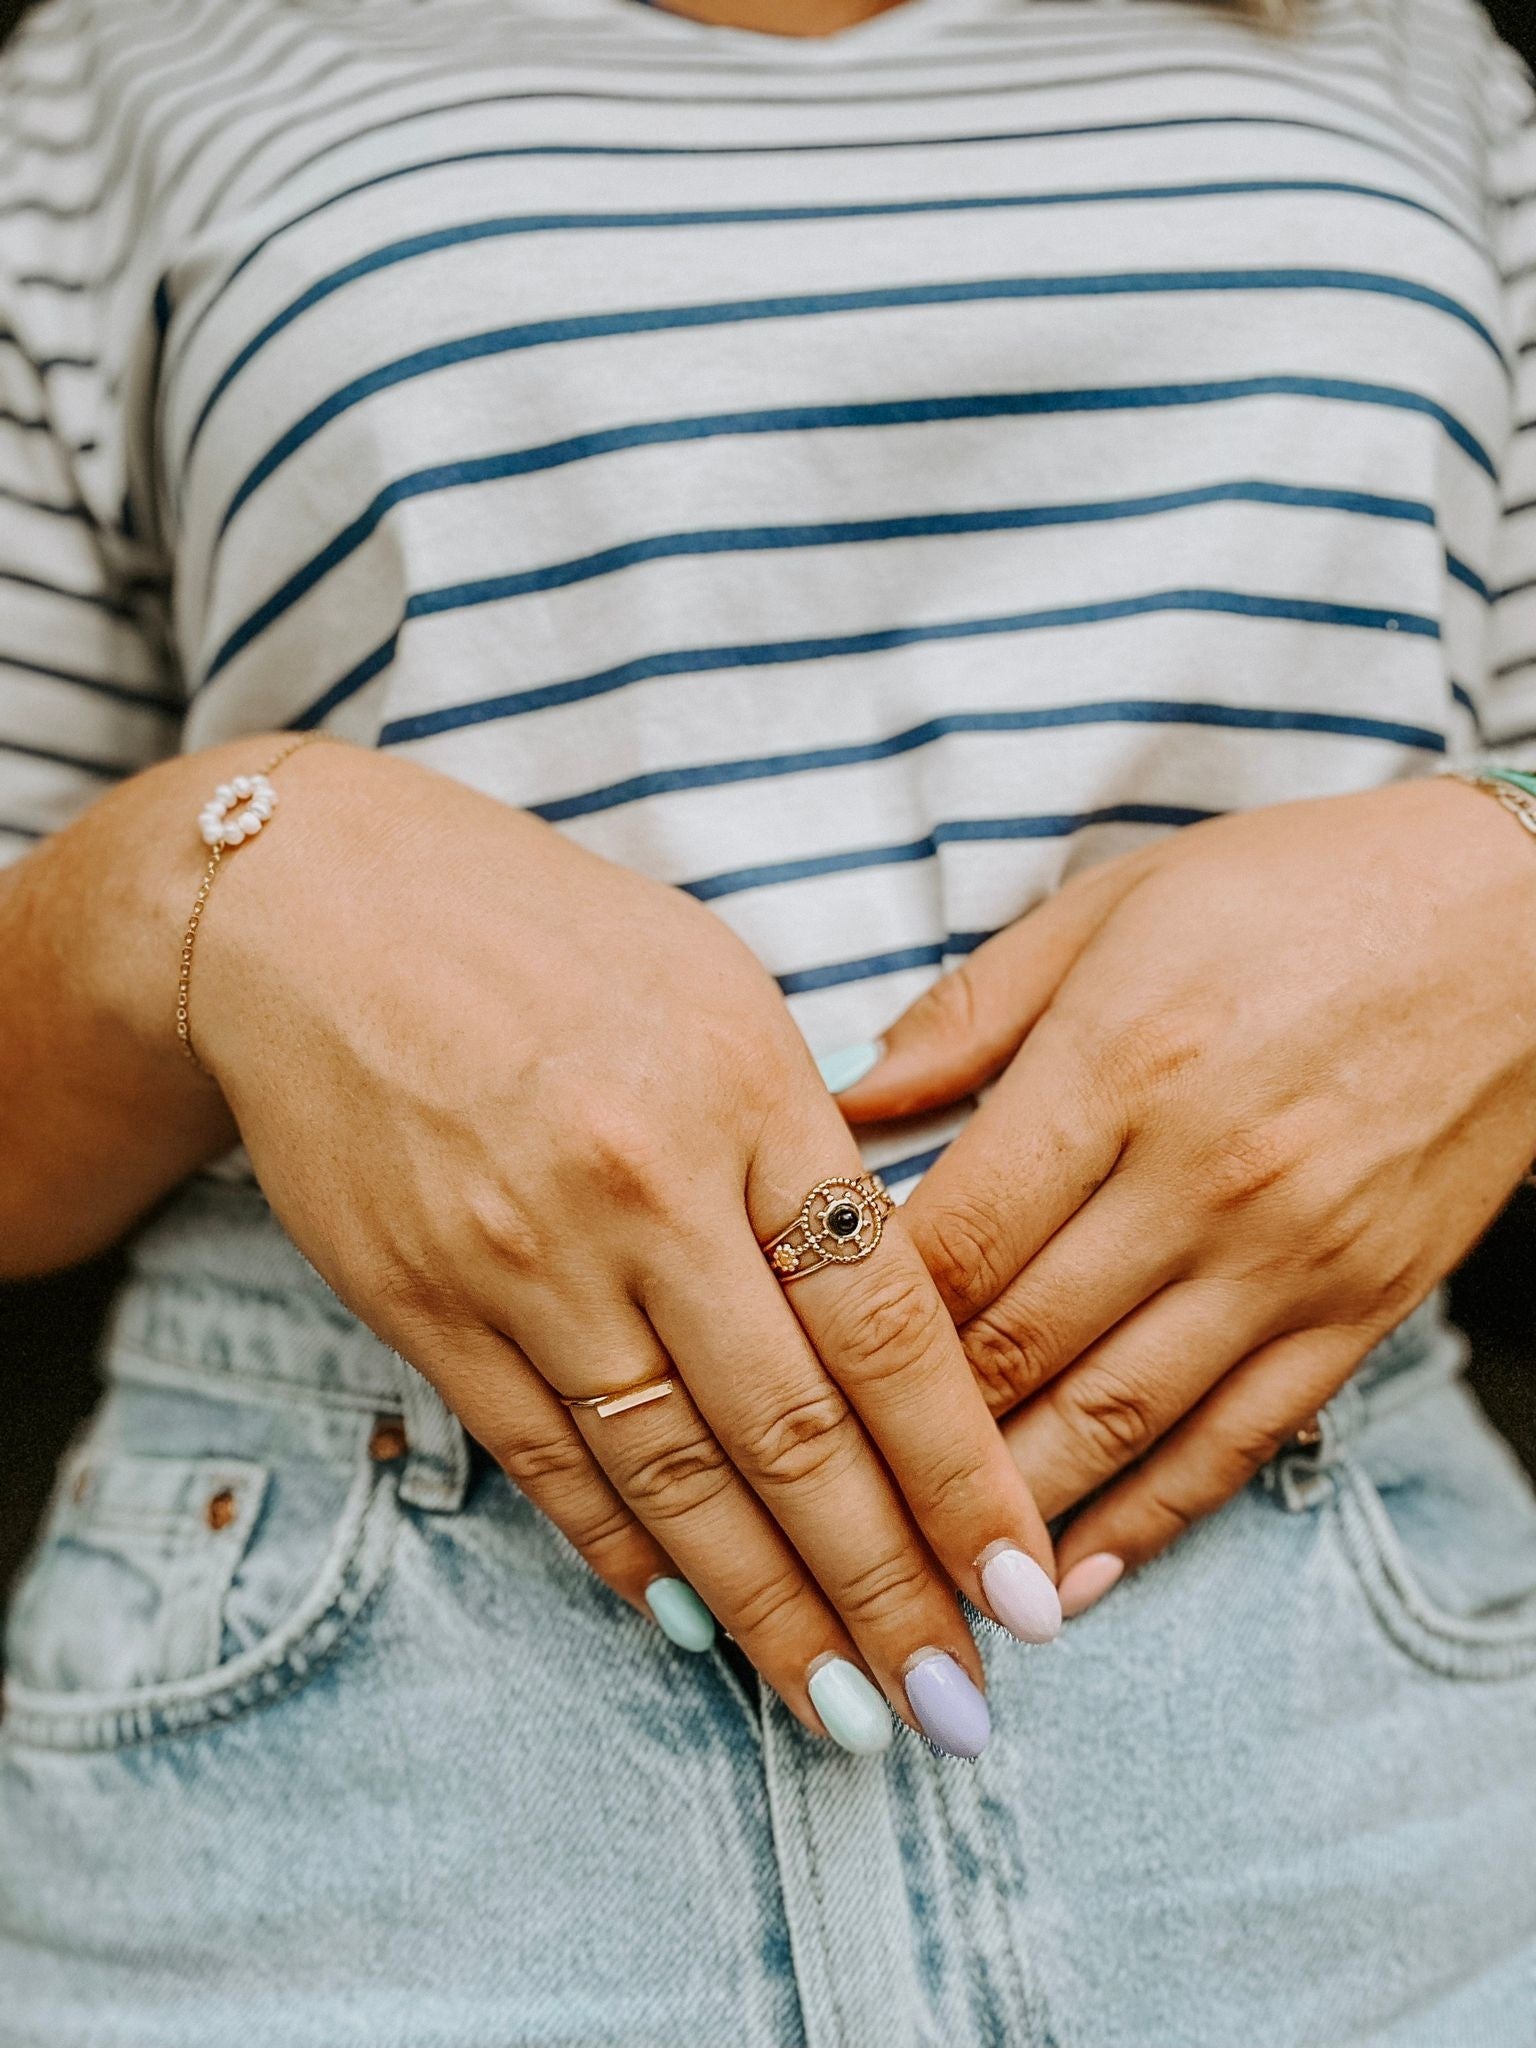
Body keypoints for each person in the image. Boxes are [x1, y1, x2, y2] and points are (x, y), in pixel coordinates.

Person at [1, 0, 1534, 2039]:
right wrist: (214, 879)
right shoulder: (129, 67)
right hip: (363, 1708)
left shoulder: (1418, 53)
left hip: (1339, 1721)